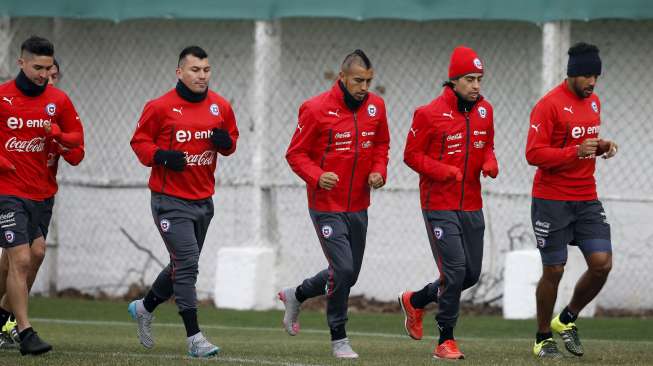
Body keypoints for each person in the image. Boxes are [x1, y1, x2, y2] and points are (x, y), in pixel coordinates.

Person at [278, 49, 390, 359]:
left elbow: (381, 145)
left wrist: (379, 171)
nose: (364, 87)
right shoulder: (315, 109)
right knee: (342, 268)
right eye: (358, 80)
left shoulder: (376, 107)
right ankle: (339, 338)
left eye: (368, 81)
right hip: (326, 204)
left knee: (347, 274)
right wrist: (317, 176)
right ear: (341, 77)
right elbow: (295, 154)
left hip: (358, 204)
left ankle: (296, 294)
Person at [129, 45, 239, 358]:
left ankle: (144, 307)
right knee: (188, 263)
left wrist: (226, 143)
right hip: (168, 200)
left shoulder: (220, 106)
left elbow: (231, 140)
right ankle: (194, 338)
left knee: (181, 265)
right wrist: (161, 156)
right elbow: (139, 143)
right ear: (180, 72)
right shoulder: (160, 107)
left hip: (203, 199)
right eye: (195, 70)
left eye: (206, 70)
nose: (201, 76)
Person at [400, 46, 498, 360]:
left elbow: (487, 145)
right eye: (469, 79)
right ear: (453, 81)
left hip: (471, 204)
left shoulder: (485, 111)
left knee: (470, 275)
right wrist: (443, 171)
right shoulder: (428, 113)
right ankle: (445, 340)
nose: (476, 86)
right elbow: (411, 155)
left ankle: (416, 301)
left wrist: (490, 161)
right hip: (439, 205)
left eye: (479, 79)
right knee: (455, 272)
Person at [526, 42, 617, 359]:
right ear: (572, 74)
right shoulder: (548, 105)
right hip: (552, 200)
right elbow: (533, 154)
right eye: (587, 75)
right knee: (554, 269)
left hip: (586, 196)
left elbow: (583, 142)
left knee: (602, 264)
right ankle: (541, 337)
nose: (592, 82)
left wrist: (601, 146)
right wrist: (573, 152)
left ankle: (566, 320)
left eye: (596, 76)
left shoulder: (594, 103)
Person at [0, 36, 83, 355]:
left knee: (33, 256)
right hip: (7, 192)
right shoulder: (4, 97)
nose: (44, 73)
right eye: (37, 67)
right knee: (19, 258)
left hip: (41, 193)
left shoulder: (58, 101)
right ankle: (24, 331)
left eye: (49, 68)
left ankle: (3, 318)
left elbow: (77, 140)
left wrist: (60, 136)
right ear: (21, 63)